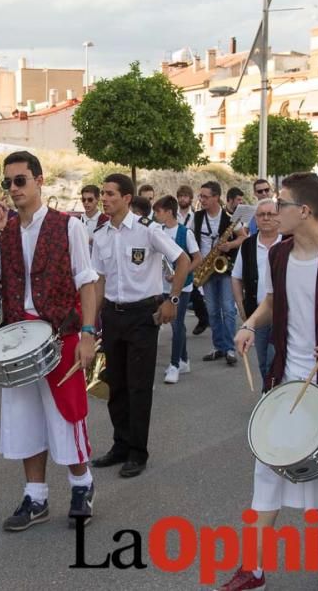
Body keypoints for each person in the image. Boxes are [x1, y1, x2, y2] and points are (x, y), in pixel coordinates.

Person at [220, 172, 318, 591]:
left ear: (304, 211)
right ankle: (252, 568)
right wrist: (250, 325)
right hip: (286, 381)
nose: (271, 210)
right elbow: (272, 303)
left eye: (281, 203)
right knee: (268, 471)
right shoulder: (277, 256)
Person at [0, 150, 100, 531]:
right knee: (24, 419)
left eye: (20, 181)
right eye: (7, 182)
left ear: (39, 180)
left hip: (61, 333)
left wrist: (89, 335)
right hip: (17, 337)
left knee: (67, 413)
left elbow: (87, 281)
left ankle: (82, 486)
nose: (13, 189)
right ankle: (36, 496)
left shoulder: (68, 226)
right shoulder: (5, 231)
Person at [91, 173, 190, 478]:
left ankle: (138, 451)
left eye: (110, 194)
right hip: (113, 316)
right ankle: (120, 444)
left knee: (138, 386)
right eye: (102, 194)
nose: (104, 198)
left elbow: (183, 260)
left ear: (126, 199)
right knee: (114, 384)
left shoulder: (149, 231)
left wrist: (171, 300)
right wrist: (91, 322)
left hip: (142, 316)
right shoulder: (102, 234)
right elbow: (99, 280)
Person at [194, 181, 247, 365]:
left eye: (206, 197)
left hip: (225, 267)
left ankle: (230, 348)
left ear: (216, 197)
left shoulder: (229, 217)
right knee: (213, 311)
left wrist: (229, 245)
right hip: (207, 267)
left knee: (228, 309)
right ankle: (218, 347)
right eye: (201, 196)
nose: (202, 200)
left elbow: (243, 237)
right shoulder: (198, 216)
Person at [153, 195, 201, 385]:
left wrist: (182, 272)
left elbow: (197, 258)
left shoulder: (185, 232)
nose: (156, 215)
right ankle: (184, 360)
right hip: (163, 285)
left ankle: (174, 365)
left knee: (176, 323)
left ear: (169, 212)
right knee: (175, 323)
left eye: (158, 212)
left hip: (182, 285)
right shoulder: (159, 231)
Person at [231, 198, 281, 382]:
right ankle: (268, 394)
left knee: (274, 360)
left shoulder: (290, 243)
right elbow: (236, 277)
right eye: (261, 215)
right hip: (257, 314)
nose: (266, 218)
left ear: (279, 217)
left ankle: (271, 397)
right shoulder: (247, 245)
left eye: (271, 214)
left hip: (283, 314)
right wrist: (241, 306)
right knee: (262, 362)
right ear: (256, 219)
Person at [178, 184, 210, 335]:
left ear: (191, 199)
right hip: (176, 254)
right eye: (180, 196)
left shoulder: (196, 217)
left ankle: (202, 318)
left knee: (193, 288)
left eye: (185, 196)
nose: (182, 199)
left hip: (191, 255)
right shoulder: (174, 215)